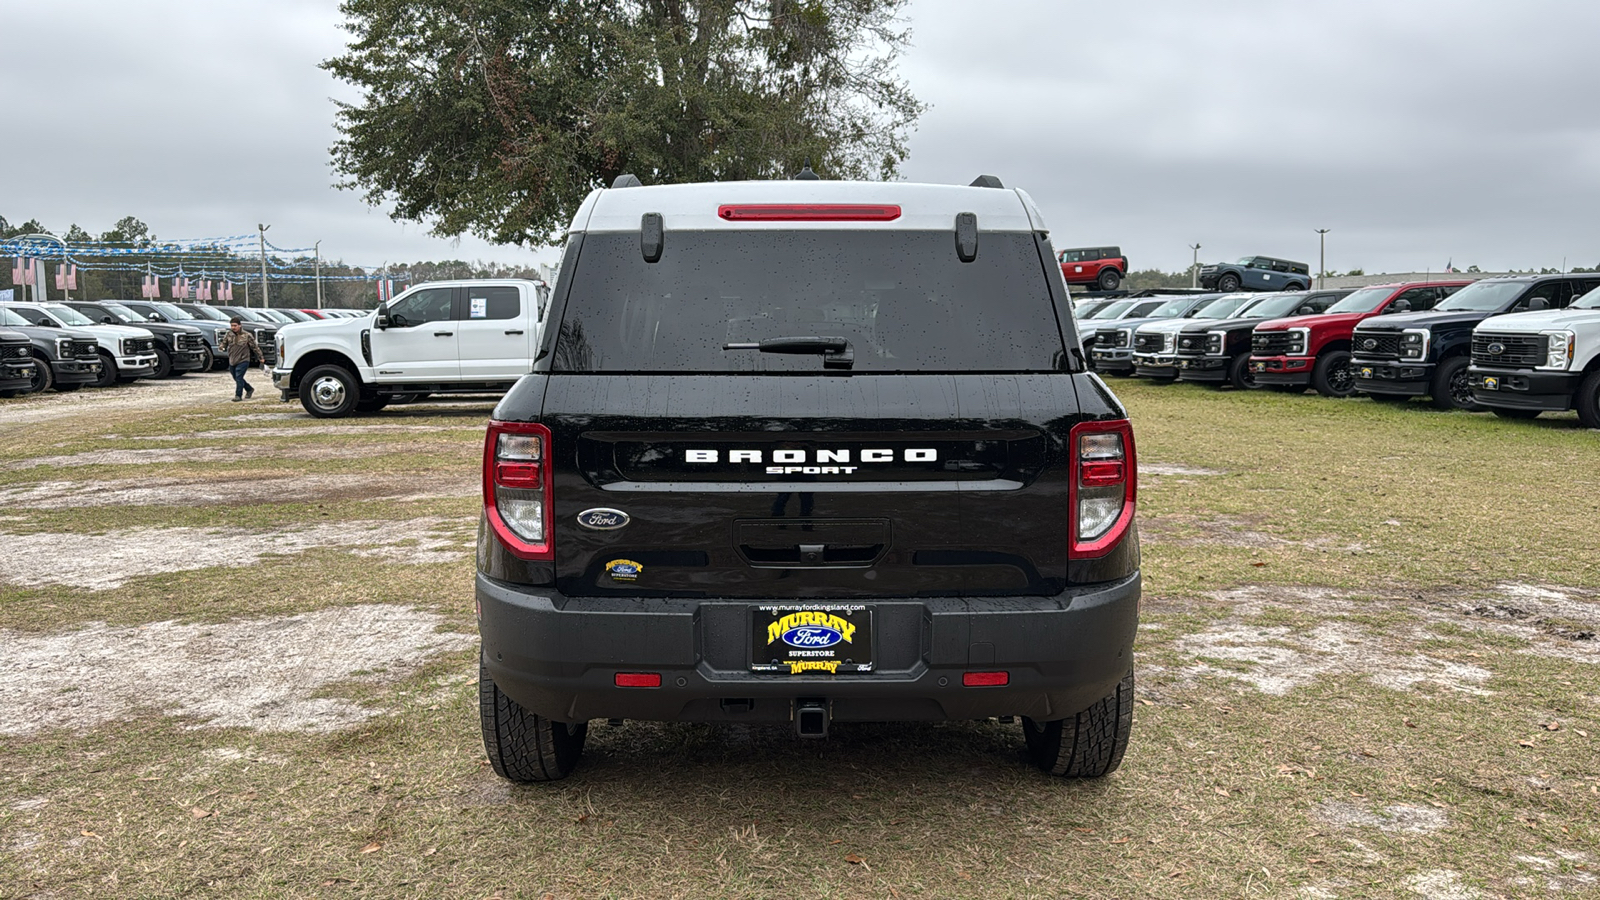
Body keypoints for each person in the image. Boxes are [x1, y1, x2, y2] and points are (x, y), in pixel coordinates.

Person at [218, 317, 263, 401]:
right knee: (236, 377)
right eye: (232, 326)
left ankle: (238, 395)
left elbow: (255, 347)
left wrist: (261, 357)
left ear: (240, 325)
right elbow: (224, 343)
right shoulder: (229, 334)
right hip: (232, 359)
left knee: (239, 376)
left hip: (243, 359)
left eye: (235, 325)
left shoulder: (247, 335)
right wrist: (221, 348)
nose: (233, 327)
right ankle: (249, 389)